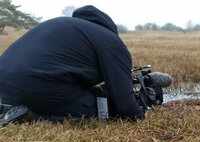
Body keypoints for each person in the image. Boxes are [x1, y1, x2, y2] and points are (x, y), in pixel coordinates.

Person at [0, 5, 145, 126]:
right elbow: (125, 105)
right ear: (110, 27)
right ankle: (33, 118)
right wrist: (138, 113)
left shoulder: (61, 24)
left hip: (4, 83)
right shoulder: (111, 40)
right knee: (104, 109)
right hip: (39, 85)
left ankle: (8, 108)